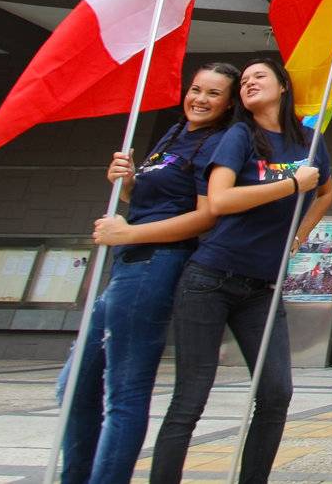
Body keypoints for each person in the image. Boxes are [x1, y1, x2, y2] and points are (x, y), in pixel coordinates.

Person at [149, 59, 332, 484]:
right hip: (211, 277)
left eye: (259, 77)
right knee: (190, 398)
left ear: (283, 86)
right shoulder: (239, 135)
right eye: (245, 81)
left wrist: (299, 236)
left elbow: (325, 192)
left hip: (263, 287)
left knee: (276, 393)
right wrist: (290, 186)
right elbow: (219, 201)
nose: (249, 83)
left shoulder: (310, 142)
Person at [58, 63, 238, 484]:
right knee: (72, 389)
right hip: (128, 263)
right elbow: (152, 198)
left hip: (157, 265)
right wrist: (126, 184)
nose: (200, 99)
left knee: (125, 392)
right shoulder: (175, 134)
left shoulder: (219, 143)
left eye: (214, 94)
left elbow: (205, 216)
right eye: (196, 89)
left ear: (229, 104)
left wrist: (129, 232)